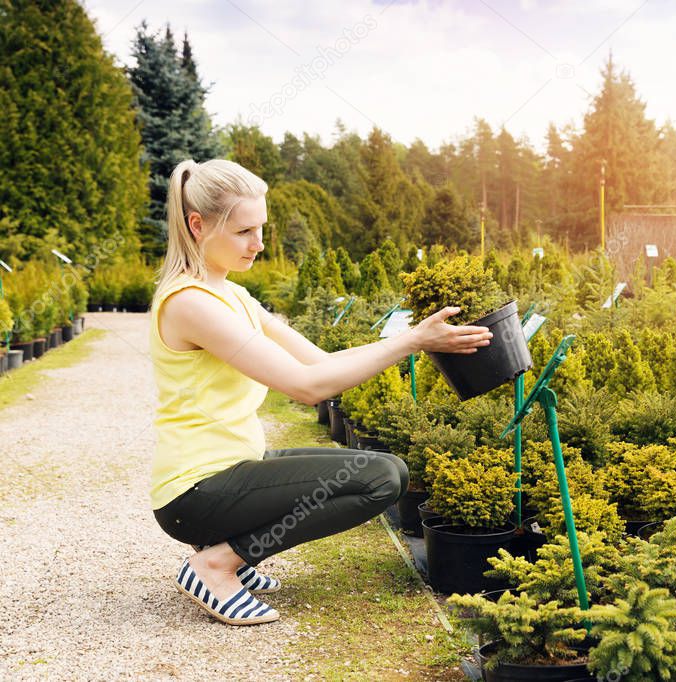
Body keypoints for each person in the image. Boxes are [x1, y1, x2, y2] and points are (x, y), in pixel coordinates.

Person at [149, 159, 491, 626]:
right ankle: (217, 564)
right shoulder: (190, 302)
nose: (260, 243)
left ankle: (225, 553)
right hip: (196, 491)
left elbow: (321, 361)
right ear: (197, 225)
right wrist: (412, 342)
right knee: (377, 480)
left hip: (232, 467)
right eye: (244, 231)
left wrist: (413, 335)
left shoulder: (233, 295)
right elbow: (307, 387)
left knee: (387, 469)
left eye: (261, 228)